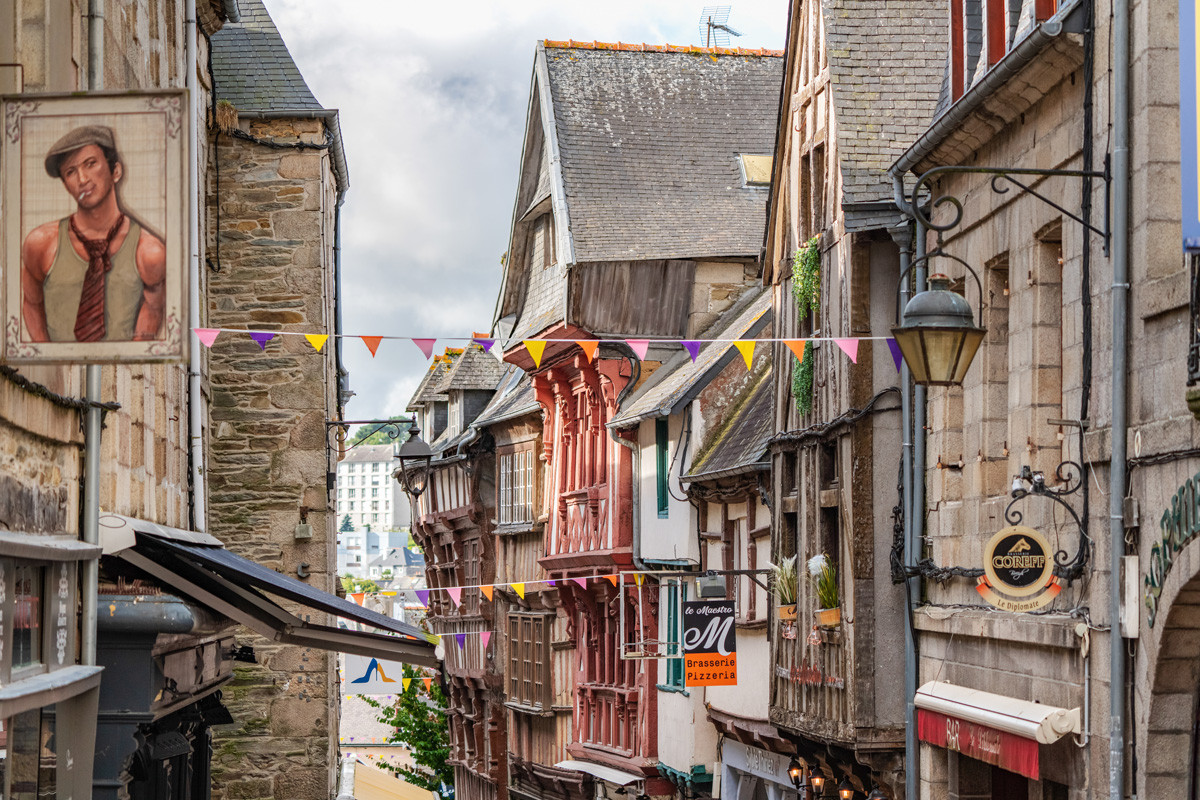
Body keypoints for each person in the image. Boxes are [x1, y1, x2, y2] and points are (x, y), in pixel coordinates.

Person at [21, 125, 166, 343]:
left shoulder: (149, 252)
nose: (82, 179)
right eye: (70, 172)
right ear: (66, 185)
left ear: (115, 171)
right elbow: (32, 303)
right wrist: (51, 355)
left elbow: (153, 311)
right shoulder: (41, 244)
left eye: (90, 164)